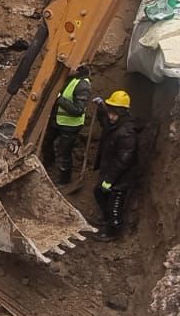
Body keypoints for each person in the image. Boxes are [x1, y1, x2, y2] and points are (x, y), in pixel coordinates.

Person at [92, 88, 141, 237]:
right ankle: (106, 219)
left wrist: (110, 180)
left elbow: (123, 161)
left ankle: (113, 230)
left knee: (115, 202)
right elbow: (105, 122)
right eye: (110, 112)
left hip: (122, 176)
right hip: (110, 169)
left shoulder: (127, 133)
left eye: (113, 113)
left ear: (121, 113)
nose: (110, 116)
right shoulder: (115, 124)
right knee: (99, 192)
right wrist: (101, 108)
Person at [48, 64, 92, 184]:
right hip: (57, 121)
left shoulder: (83, 86)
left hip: (70, 126)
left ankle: (64, 181)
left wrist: (59, 99)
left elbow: (78, 110)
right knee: (47, 143)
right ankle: (47, 166)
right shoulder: (70, 79)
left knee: (64, 153)